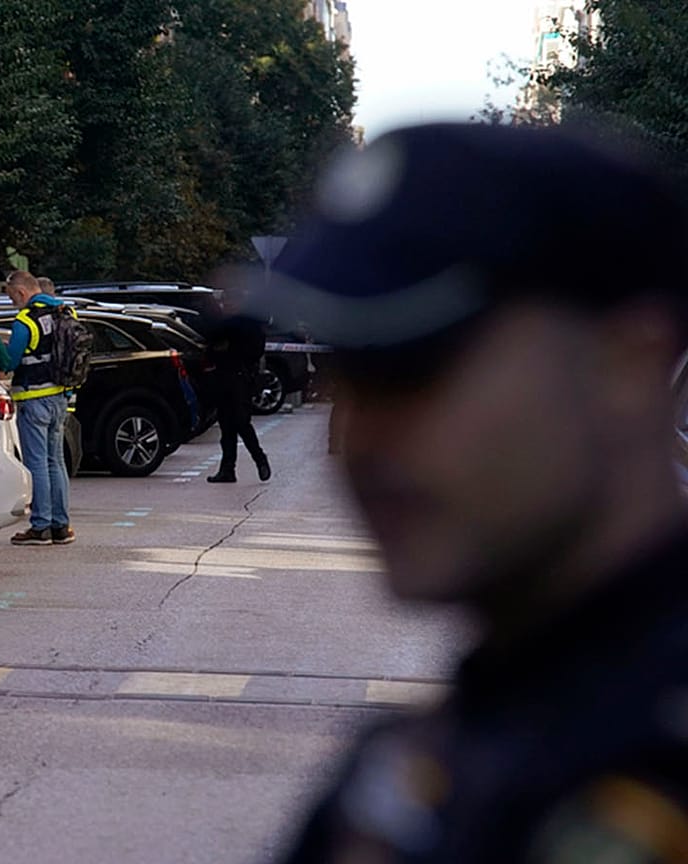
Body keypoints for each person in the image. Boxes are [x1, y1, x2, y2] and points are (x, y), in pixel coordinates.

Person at [258, 123, 688, 863]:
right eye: (350, 375)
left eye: (417, 366)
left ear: (628, 364)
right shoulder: (408, 772)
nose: (362, 437)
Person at [0, 270, 73, 546]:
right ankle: (61, 525)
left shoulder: (25, 321)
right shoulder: (66, 313)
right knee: (57, 462)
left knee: (38, 464)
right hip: (60, 398)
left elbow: (10, 361)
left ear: (20, 292)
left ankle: (41, 525)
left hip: (33, 399)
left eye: (11, 297)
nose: (12, 303)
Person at [206, 289, 271, 483]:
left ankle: (259, 459)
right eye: (226, 302)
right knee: (226, 426)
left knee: (241, 422)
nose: (228, 306)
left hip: (240, 377)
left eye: (232, 302)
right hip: (224, 376)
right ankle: (227, 469)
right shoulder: (227, 324)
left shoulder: (245, 324)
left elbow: (254, 348)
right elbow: (212, 342)